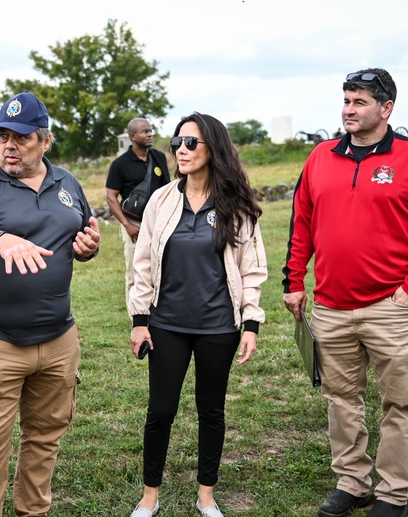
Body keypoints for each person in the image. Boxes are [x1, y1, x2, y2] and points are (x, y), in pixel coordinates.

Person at [282, 68, 408, 517]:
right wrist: (294, 281)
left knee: (400, 402)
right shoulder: (320, 157)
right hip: (331, 307)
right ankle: (353, 482)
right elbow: (301, 222)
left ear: (387, 108)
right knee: (341, 400)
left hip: (391, 309)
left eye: (359, 102)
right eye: (346, 101)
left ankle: (393, 492)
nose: (348, 110)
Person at [0, 91, 100, 517]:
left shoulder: (66, 183)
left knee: (45, 436)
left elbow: (80, 235)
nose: (9, 146)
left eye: (21, 138)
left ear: (45, 141)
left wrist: (88, 247)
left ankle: (33, 512)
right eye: (2, 136)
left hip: (58, 338)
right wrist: (0, 239)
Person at [127, 112, 267, 517]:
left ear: (214, 149)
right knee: (161, 412)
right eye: (178, 142)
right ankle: (150, 496)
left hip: (217, 327)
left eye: (192, 143)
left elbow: (252, 270)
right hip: (166, 325)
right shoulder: (162, 199)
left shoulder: (236, 206)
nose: (181, 150)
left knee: (211, 411)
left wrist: (250, 324)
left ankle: (206, 496)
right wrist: (139, 322)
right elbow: (143, 266)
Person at [106, 117, 170, 302]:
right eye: (145, 131)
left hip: (158, 223)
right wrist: (127, 225)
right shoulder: (120, 164)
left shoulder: (158, 157)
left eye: (150, 131)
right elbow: (111, 197)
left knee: (161, 268)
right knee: (135, 272)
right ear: (132, 136)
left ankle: (157, 314)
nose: (150, 134)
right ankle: (137, 319)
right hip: (134, 225)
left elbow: (168, 189)